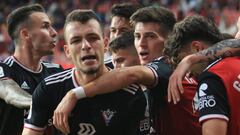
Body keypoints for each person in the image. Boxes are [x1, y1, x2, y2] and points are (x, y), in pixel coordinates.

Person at [53, 6, 176, 134]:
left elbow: (131, 74)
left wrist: (74, 94)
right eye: (137, 36)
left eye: (150, 36)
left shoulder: (166, 66)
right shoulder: (108, 66)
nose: (141, 43)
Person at [22, 9, 146, 135]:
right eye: (76, 41)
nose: (85, 45)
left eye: (92, 38)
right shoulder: (48, 89)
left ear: (105, 44)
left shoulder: (131, 93)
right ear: (67, 51)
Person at [0, 3, 63, 135]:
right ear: (25, 34)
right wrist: (43, 104)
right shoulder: (4, 69)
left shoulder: (56, 71)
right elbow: (10, 94)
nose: (54, 32)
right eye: (46, 26)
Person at [167, 16, 240, 103]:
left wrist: (190, 60)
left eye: (181, 61)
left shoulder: (213, 79)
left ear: (197, 48)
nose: (188, 74)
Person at [105, 3, 141, 69]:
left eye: (123, 30)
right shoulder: (104, 68)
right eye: (113, 30)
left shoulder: (152, 65)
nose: (116, 36)